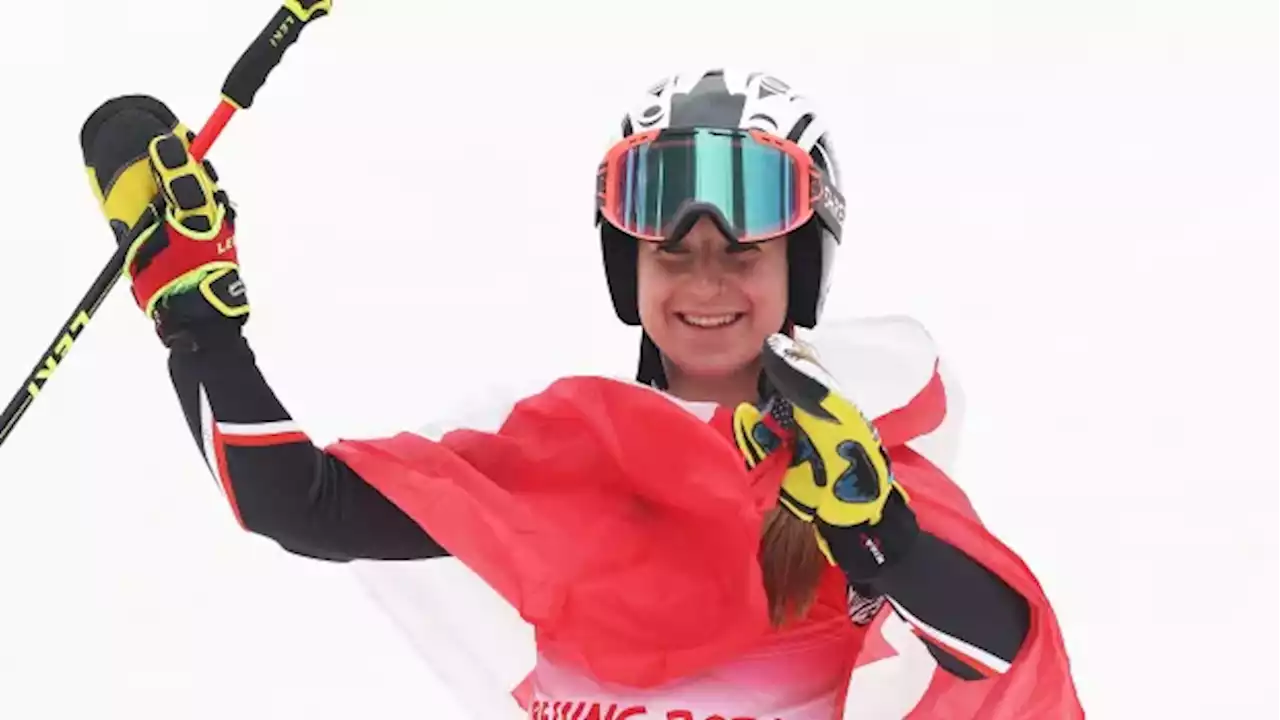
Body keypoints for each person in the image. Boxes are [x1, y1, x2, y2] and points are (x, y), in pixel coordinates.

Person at [79, 69, 1083, 719]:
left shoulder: (856, 464)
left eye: (743, 252)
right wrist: (198, 322)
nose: (701, 284)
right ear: (622, 266)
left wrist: (879, 539)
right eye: (668, 250)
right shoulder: (569, 458)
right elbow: (294, 502)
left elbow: (1001, 656)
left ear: (801, 267)